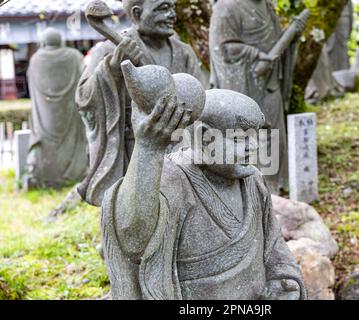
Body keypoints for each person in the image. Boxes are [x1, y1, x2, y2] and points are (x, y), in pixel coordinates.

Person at [102, 88, 307, 300]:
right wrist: (147, 149)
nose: (253, 147)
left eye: (255, 136)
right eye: (239, 139)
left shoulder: (252, 181)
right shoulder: (173, 181)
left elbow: (274, 247)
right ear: (204, 137)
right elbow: (134, 240)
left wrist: (283, 282)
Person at [76, 0, 204, 206]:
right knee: (137, 206)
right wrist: (113, 68)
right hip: (134, 146)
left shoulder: (184, 52)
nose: (172, 15)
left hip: (181, 144)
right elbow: (84, 98)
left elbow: (201, 95)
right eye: (163, 8)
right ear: (137, 13)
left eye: (173, 8)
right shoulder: (112, 47)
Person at [209, 0, 307, 194]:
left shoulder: (267, 6)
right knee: (246, 137)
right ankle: (248, 189)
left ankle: (274, 186)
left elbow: (278, 44)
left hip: (269, 83)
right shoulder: (227, 7)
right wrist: (254, 54)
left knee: (273, 135)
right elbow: (221, 49)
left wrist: (292, 36)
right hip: (243, 84)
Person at [26, 27, 87, 188]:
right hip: (69, 110)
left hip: (44, 112)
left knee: (44, 140)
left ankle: (45, 175)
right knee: (74, 141)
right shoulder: (75, 57)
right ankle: (75, 172)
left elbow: (30, 84)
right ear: (61, 40)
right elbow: (86, 79)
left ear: (43, 42)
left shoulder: (36, 60)